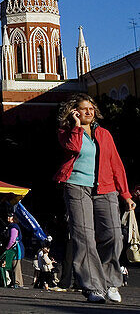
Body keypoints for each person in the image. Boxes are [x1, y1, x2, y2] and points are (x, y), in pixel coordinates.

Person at [54, 93, 133, 304]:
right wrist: (77, 126)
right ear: (74, 112)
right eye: (83, 108)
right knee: (84, 237)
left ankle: (110, 282)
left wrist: (125, 194)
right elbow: (73, 147)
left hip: (106, 189)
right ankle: (92, 287)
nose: (89, 111)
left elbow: (116, 164)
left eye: (91, 108)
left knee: (114, 235)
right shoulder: (66, 132)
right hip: (77, 187)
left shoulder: (105, 134)